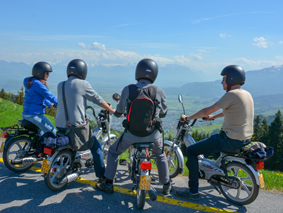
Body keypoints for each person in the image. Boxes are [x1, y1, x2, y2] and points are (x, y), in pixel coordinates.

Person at [175, 65, 254, 201]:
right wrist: (213, 118)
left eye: (223, 79)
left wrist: (187, 118)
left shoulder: (231, 95)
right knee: (214, 140)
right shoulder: (246, 94)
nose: (222, 82)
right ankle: (215, 175)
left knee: (192, 151)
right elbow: (230, 110)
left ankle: (193, 191)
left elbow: (206, 110)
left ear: (230, 79)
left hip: (229, 140)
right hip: (243, 140)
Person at [96, 58, 173, 195]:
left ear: (138, 72)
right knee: (160, 155)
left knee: (113, 152)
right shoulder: (159, 91)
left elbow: (119, 112)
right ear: (154, 74)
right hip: (153, 135)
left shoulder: (128, 89)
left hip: (131, 135)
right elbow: (163, 113)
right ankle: (166, 185)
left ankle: (108, 183)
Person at [54, 59, 115, 181]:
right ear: (82, 72)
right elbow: (97, 100)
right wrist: (111, 110)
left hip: (60, 124)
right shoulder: (83, 84)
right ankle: (101, 176)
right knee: (96, 148)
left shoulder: (60, 85)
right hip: (76, 127)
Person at [22, 61, 58, 136]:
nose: (49, 75)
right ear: (40, 73)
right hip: (35, 115)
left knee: (41, 136)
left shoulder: (31, 82)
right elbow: (49, 96)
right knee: (54, 134)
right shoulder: (38, 84)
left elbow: (41, 97)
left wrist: (50, 104)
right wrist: (63, 102)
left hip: (27, 114)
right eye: (47, 73)